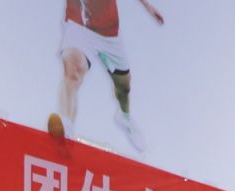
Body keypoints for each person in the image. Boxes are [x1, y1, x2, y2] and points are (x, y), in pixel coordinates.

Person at [48, 0, 165, 153]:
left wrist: (148, 6)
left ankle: (124, 117)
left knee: (123, 86)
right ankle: (65, 130)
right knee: (73, 71)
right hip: (79, 26)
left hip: (109, 35)